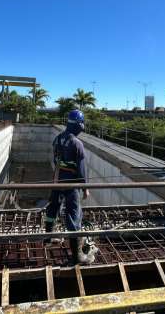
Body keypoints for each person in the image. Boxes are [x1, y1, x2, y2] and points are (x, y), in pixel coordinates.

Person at [44, 109, 97, 264]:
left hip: (57, 180)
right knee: (74, 216)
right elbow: (81, 170)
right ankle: (78, 256)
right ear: (79, 124)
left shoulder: (58, 139)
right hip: (71, 184)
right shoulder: (77, 143)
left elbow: (56, 161)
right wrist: (85, 188)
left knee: (52, 208)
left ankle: (48, 239)